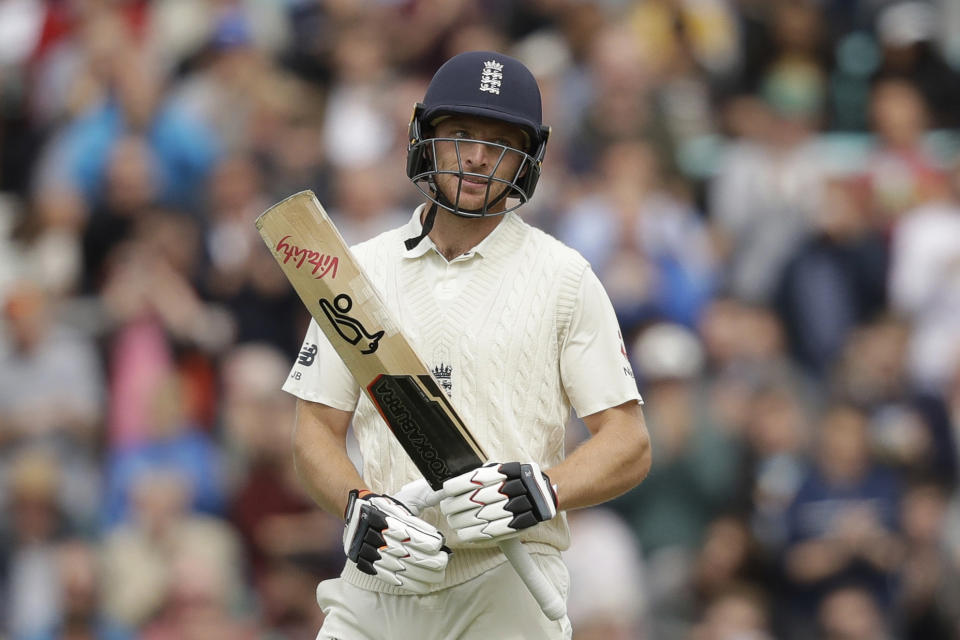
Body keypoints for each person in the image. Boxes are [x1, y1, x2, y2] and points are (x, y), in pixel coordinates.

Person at [281, 50, 651, 639]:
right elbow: (314, 432)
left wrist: (545, 489)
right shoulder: (357, 271)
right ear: (425, 137)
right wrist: (356, 507)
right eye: (460, 134)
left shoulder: (564, 277)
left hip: (507, 580)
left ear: (528, 159)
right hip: (383, 576)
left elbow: (629, 443)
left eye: (501, 141)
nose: (478, 157)